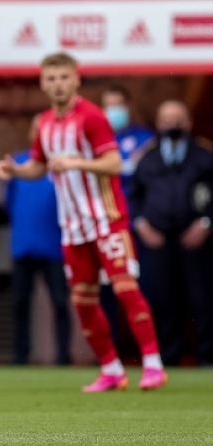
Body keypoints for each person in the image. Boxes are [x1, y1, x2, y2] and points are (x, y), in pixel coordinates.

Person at [0, 53, 166, 392]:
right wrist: (16, 170)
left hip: (106, 220)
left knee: (126, 290)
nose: (58, 84)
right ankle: (111, 369)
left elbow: (114, 163)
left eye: (63, 77)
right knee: (83, 302)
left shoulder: (92, 117)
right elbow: (40, 166)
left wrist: (77, 162)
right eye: (51, 78)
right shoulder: (45, 123)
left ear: (76, 80)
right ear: (43, 84)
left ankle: (153, 364)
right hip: (72, 227)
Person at [130, 100, 213, 366]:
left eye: (177, 119)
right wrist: (141, 224)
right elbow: (134, 195)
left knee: (202, 298)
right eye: (166, 120)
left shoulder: (204, 155)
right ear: (158, 123)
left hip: (196, 238)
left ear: (188, 122)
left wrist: (206, 222)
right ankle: (167, 357)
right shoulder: (147, 156)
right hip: (157, 238)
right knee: (163, 298)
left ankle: (207, 357)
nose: (172, 124)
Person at [5, 115, 70, 366]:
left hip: (55, 246)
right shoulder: (19, 163)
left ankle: (63, 357)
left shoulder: (62, 165)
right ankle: (20, 357)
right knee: (20, 304)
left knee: (61, 303)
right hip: (23, 246)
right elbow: (9, 204)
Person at [98, 85, 155, 342]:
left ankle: (149, 348)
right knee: (107, 290)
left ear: (129, 106)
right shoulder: (94, 142)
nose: (114, 111)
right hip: (107, 227)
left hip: (138, 227)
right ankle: (111, 352)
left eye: (118, 105)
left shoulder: (146, 139)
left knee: (144, 289)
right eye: (108, 106)